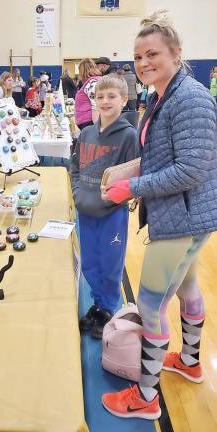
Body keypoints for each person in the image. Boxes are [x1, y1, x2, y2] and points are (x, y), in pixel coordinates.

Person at [101, 10, 217, 420]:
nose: (144, 62)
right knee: (187, 289)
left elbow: (190, 170)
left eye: (152, 54)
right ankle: (188, 361)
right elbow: (163, 156)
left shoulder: (191, 99)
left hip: (181, 220)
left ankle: (146, 397)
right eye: (137, 57)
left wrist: (131, 186)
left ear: (176, 53)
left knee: (150, 305)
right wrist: (131, 170)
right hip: (185, 216)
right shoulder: (164, 94)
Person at [71, 74, 139, 338]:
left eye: (112, 96)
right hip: (85, 211)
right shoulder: (87, 133)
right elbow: (75, 167)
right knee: (89, 262)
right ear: (93, 100)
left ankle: (109, 309)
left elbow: (134, 177)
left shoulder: (129, 136)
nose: (105, 101)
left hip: (112, 214)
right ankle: (99, 305)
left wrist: (116, 198)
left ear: (124, 99)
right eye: (100, 96)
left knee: (110, 265)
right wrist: (77, 192)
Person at [74, 58, 102, 131]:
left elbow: (95, 105)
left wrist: (96, 129)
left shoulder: (92, 83)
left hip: (89, 123)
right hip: (88, 122)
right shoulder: (94, 81)